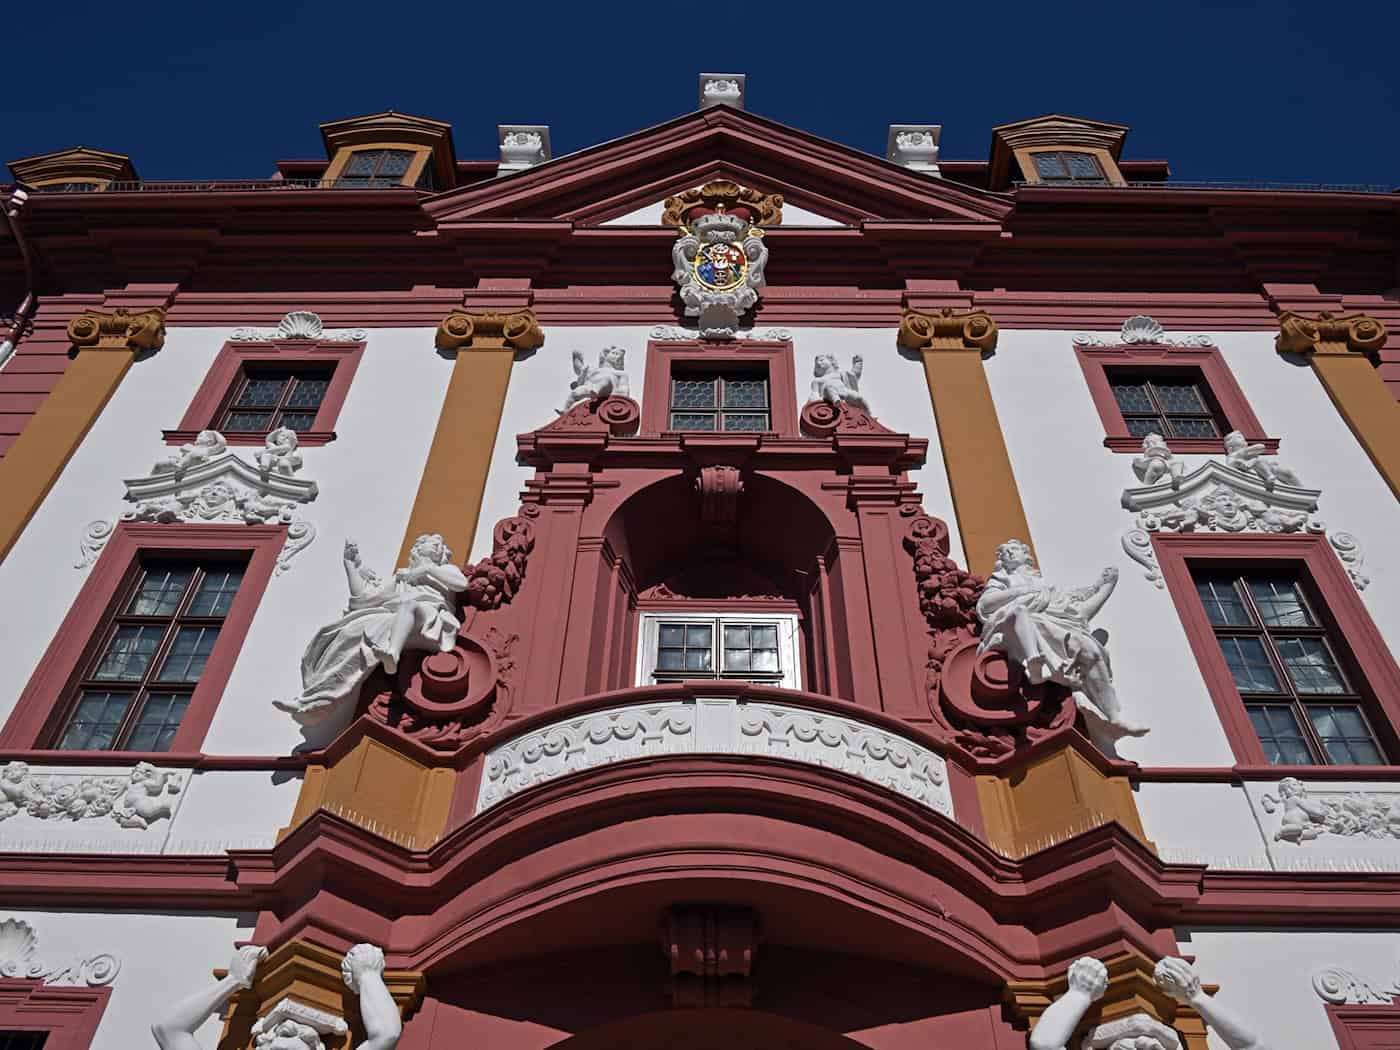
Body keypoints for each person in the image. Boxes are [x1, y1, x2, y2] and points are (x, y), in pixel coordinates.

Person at [275, 535, 467, 725]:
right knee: (351, 632)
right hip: (396, 620)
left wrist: (427, 569)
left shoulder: (445, 569)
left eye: (437, 545)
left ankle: (393, 652)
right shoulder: (403, 577)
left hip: (433, 621)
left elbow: (461, 584)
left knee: (409, 604)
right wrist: (351, 567)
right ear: (416, 550)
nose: (434, 547)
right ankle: (316, 701)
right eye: (428, 544)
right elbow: (365, 599)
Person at [977, 540, 1146, 737]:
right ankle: (1034, 661)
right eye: (1005, 552)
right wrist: (1019, 592)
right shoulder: (1001, 579)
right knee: (1020, 611)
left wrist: (1101, 589)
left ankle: (1114, 716)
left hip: (1046, 621)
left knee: (1089, 648)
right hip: (1011, 626)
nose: (1009, 554)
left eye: (1013, 549)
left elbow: (1073, 610)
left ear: (1025, 555)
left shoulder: (1042, 584)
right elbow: (986, 604)